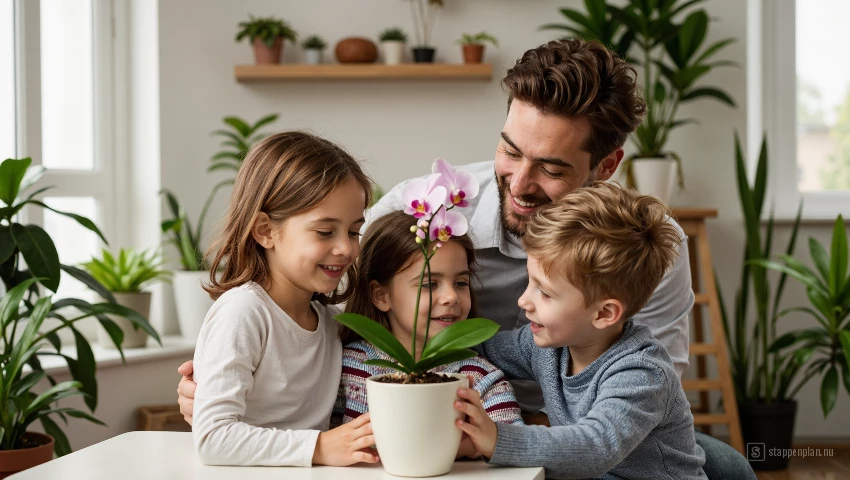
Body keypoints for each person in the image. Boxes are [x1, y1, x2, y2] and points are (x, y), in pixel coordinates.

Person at [177, 38, 754, 479]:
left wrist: (508, 433)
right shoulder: (425, 210)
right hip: (456, 421)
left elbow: (641, 396)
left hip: (580, 435)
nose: (519, 184)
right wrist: (232, 383)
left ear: (605, 167)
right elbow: (330, 298)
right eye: (510, 150)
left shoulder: (646, 246)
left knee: (727, 466)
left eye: (552, 168)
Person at [455, 183, 706, 479]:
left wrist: (496, 438)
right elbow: (477, 348)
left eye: (544, 293)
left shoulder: (642, 373)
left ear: (604, 313)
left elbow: (595, 446)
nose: (524, 301)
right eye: (530, 282)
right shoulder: (548, 347)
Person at [191, 131, 379, 467]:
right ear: (265, 230)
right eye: (325, 232)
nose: (346, 248)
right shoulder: (243, 312)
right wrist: (319, 447)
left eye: (353, 232)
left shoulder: (331, 323)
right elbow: (212, 438)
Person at [332, 211, 523, 458]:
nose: (451, 297)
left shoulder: (479, 379)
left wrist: (473, 443)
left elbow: (515, 444)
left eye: (461, 283)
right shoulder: (346, 368)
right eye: (429, 284)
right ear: (381, 295)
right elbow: (324, 441)